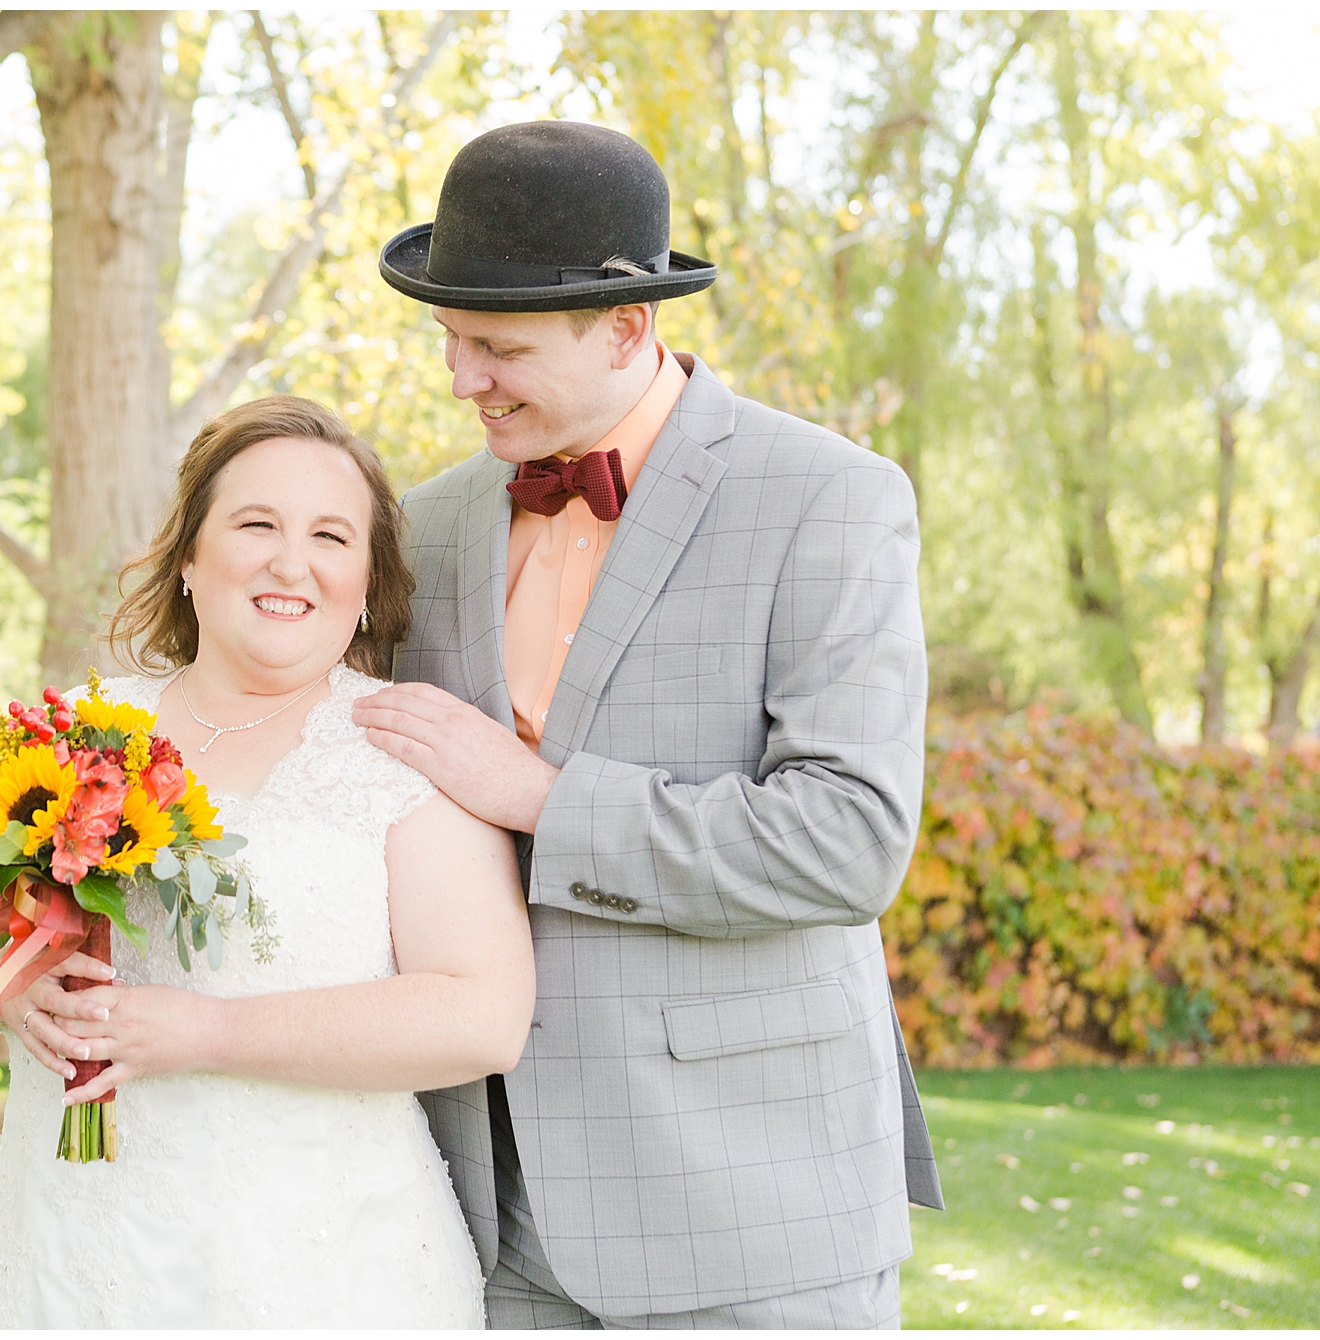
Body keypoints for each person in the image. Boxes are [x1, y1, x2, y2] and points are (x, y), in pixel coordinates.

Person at [350, 120, 945, 1329]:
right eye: (452, 341)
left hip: (749, 1206)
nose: (462, 380)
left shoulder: (830, 500)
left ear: (628, 327)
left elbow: (846, 840)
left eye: (499, 349)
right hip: (484, 1214)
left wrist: (538, 798)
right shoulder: (422, 522)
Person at [0, 396, 536, 1328]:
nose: (291, 561)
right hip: (76, 1257)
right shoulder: (80, 730)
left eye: (330, 535)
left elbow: (483, 1016)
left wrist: (203, 1033)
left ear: (366, 582)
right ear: (190, 555)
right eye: (256, 524)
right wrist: (9, 986)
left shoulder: (407, 748)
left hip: (323, 1263)